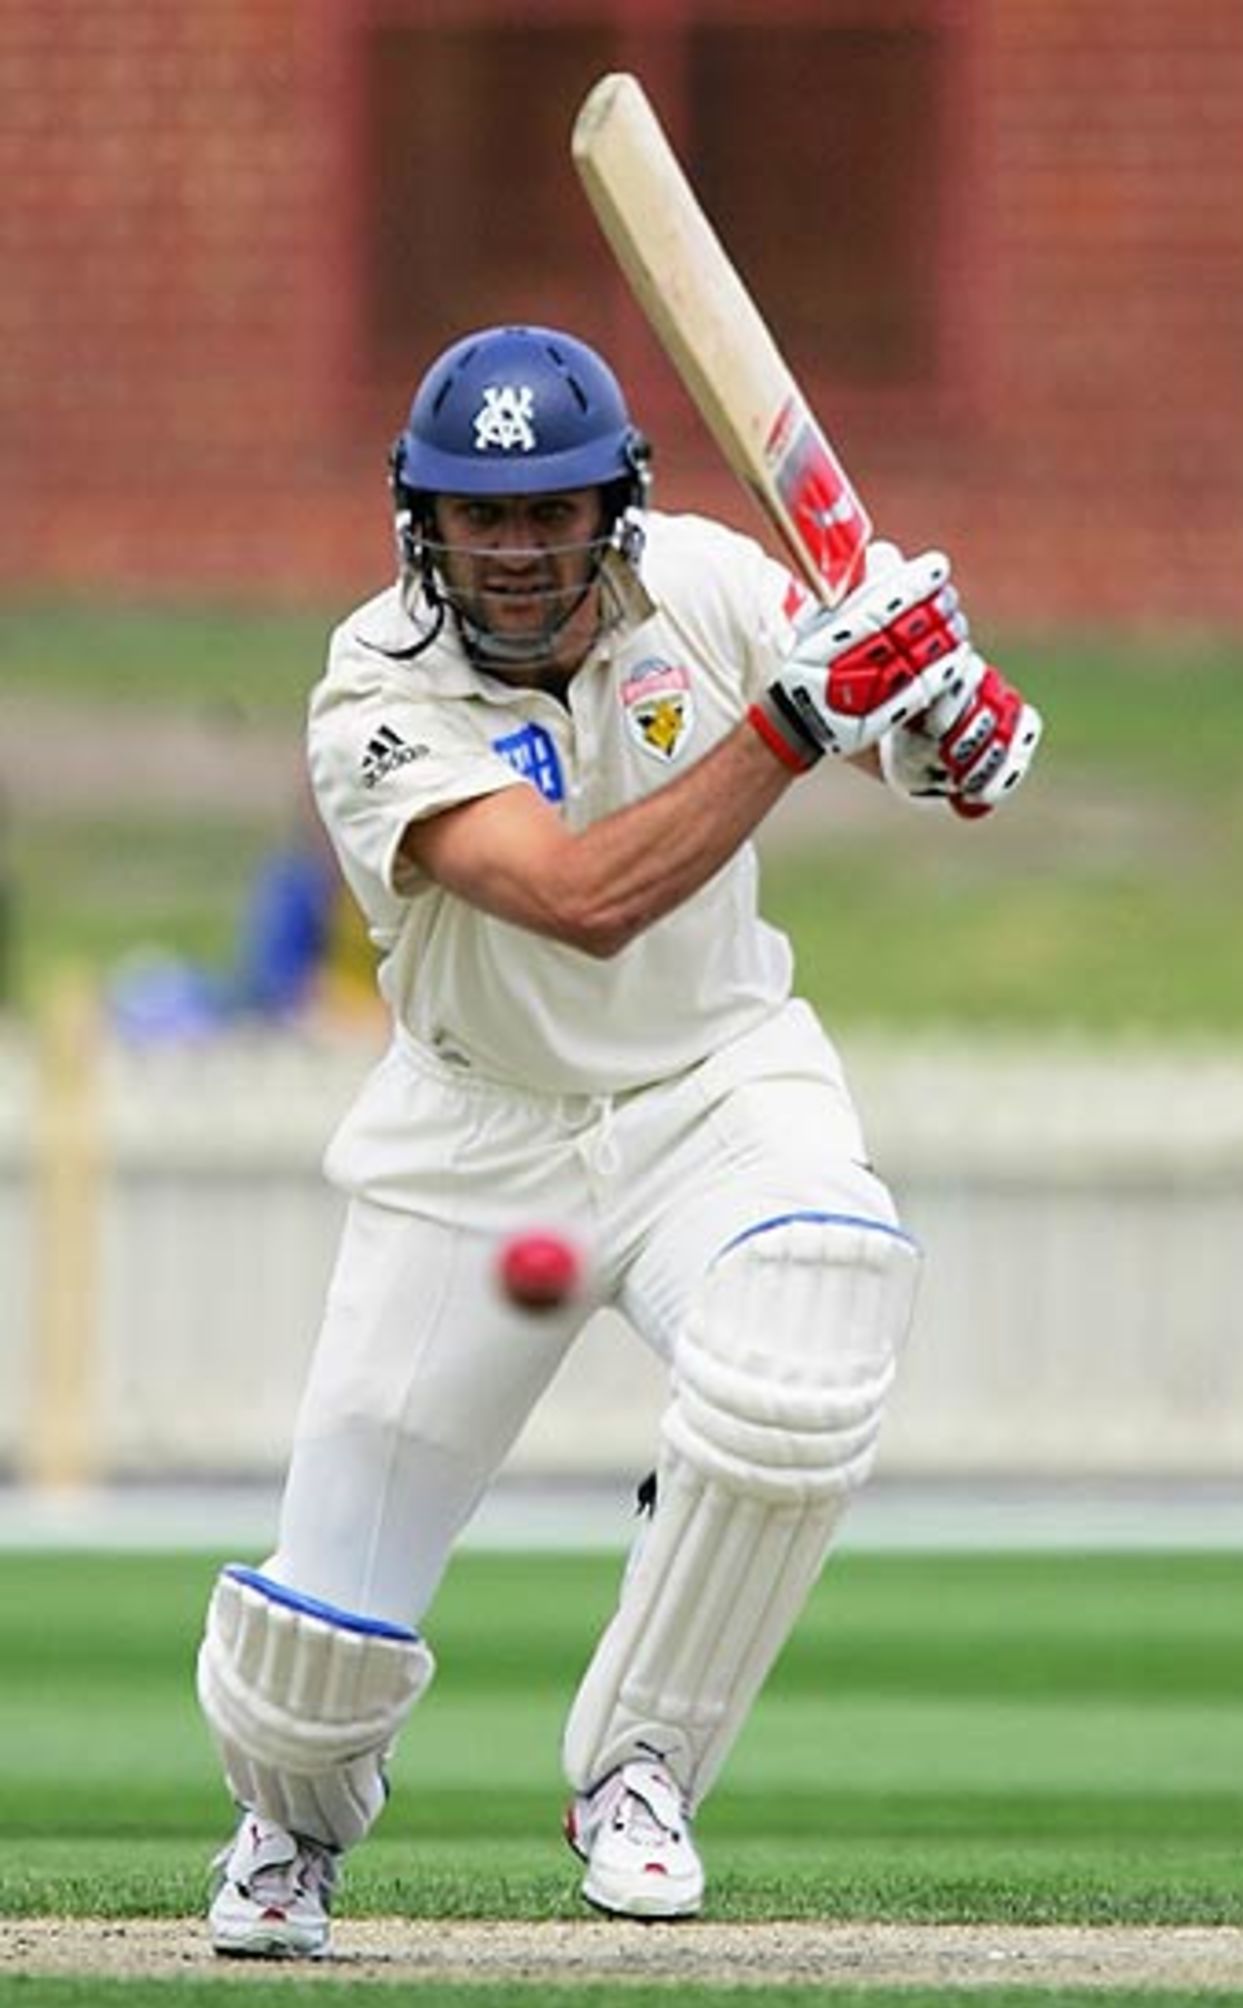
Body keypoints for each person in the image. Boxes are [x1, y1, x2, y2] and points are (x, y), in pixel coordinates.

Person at [195, 324, 1042, 1958]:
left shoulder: (710, 586)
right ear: (422, 522)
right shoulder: (371, 691)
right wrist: (802, 718)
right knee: (308, 1667)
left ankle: (642, 1769)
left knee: (813, 1324)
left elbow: (880, 715)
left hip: (713, 1084)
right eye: (479, 516)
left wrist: (946, 725)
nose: (516, 552)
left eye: (550, 513)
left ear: (614, 509)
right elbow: (583, 900)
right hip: (473, 1133)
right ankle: (288, 1829)